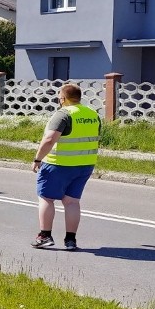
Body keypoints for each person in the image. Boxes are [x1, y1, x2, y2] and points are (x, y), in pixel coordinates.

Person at [31, 83, 101, 251]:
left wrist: (38, 159)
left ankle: (45, 236)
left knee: (47, 198)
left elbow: (49, 139)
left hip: (59, 164)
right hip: (84, 165)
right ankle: (71, 240)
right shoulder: (93, 114)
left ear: (62, 98)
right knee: (72, 202)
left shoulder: (63, 114)